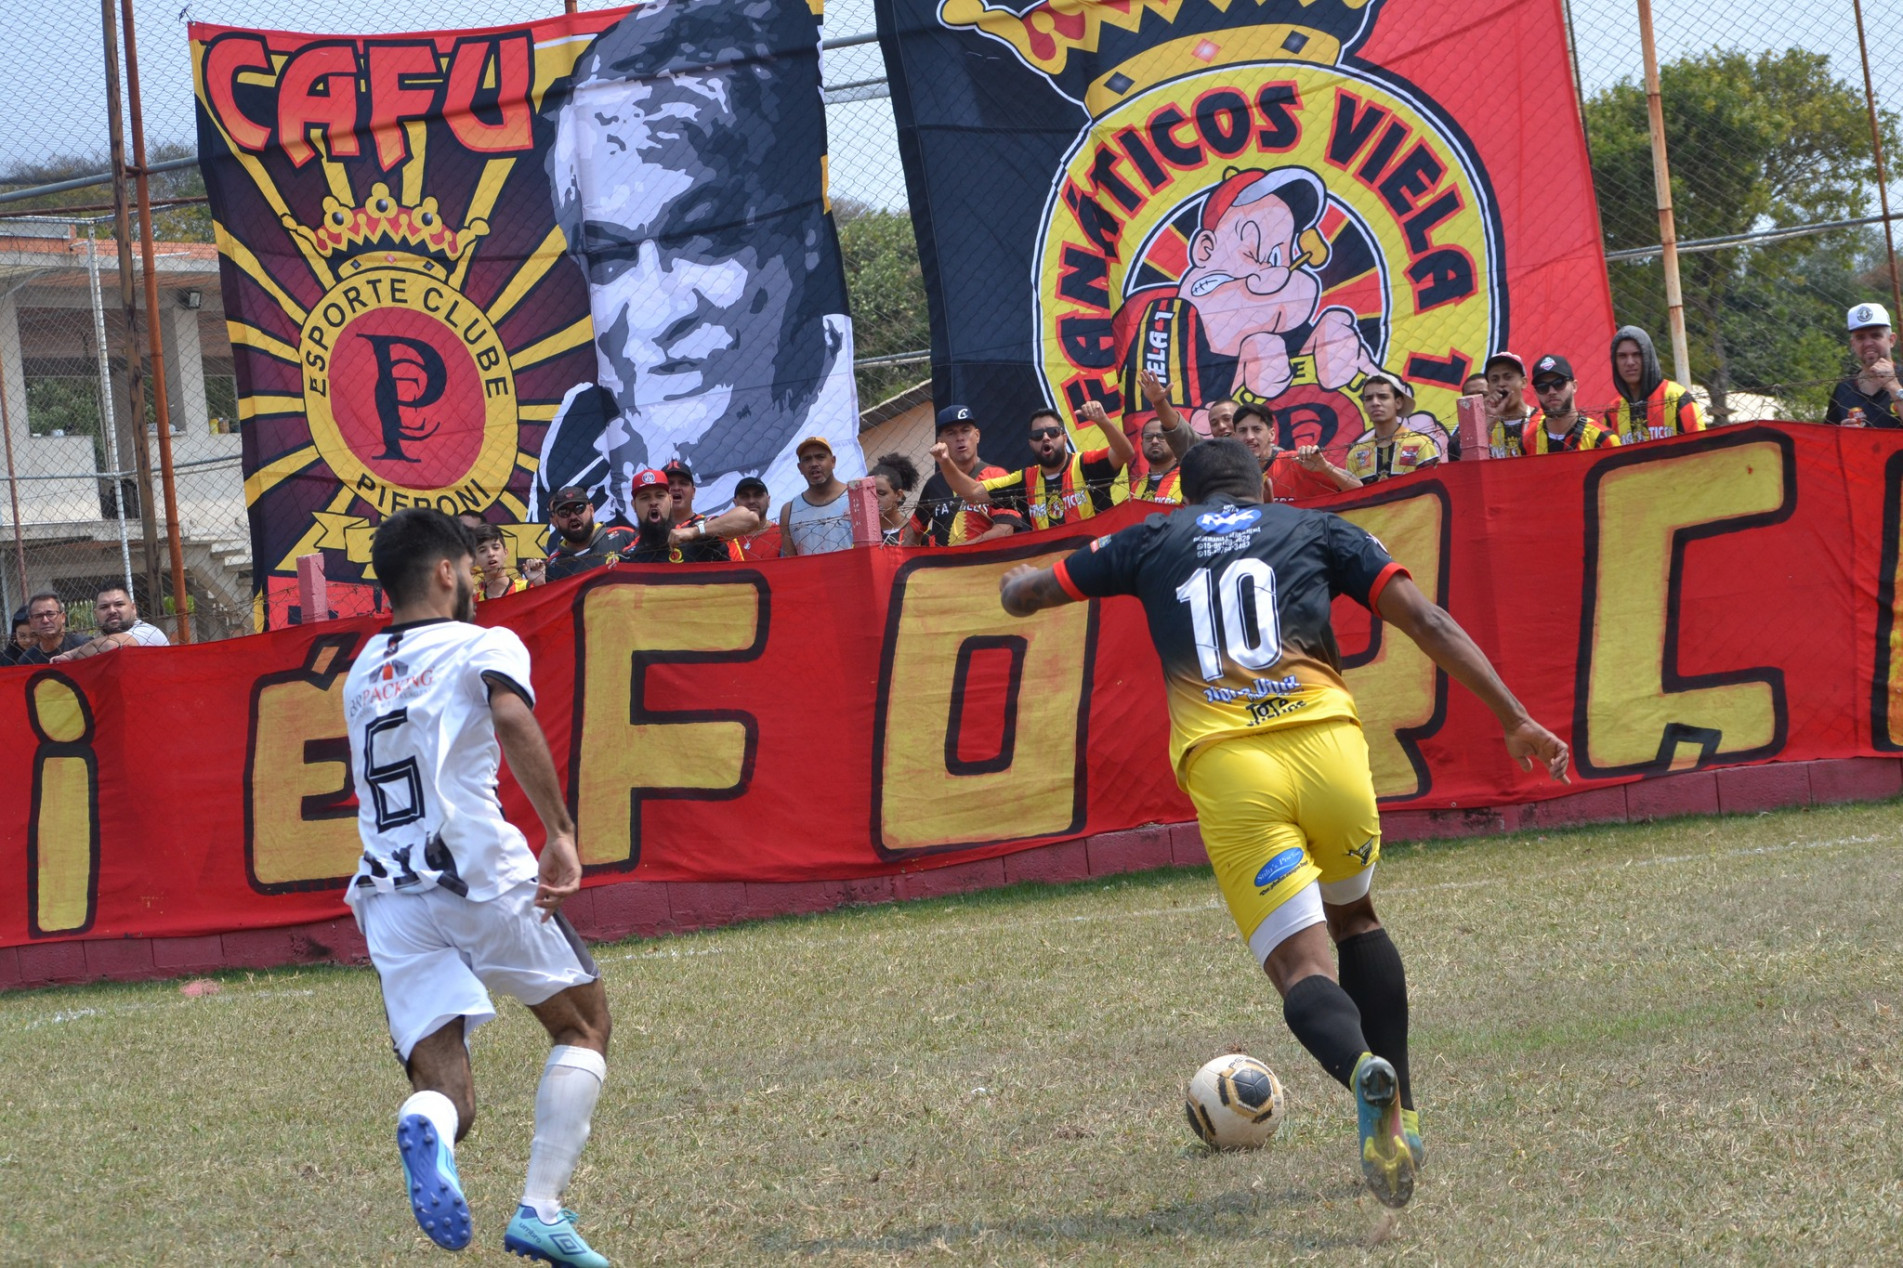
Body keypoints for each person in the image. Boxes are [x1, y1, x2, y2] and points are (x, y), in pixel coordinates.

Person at [996, 438, 1569, 1210]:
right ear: (1262, 483)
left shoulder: (1149, 538)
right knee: (1356, 919)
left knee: (1302, 970)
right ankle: (1403, 1117)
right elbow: (1426, 621)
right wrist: (1515, 718)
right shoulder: (1313, 526)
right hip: (1328, 748)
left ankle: (1363, 1072)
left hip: (1232, 766)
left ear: (1184, 492)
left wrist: (1014, 587)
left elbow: (1034, 593)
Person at [341, 509, 611, 1267]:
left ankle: (426, 1119)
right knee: (581, 1027)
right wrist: (558, 830)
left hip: (387, 892)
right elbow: (509, 713)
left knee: (445, 1090)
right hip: (475, 871)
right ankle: (541, 1210)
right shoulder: (483, 641)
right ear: (445, 572)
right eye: (467, 566)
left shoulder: (360, 669)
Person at [533, 0, 863, 523]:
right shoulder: (575, 446)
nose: (653, 308)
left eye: (702, 240)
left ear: (803, 234)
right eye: (611, 255)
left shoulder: (846, 466)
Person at [936, 400, 1136, 530]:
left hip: (1097, 559)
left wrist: (1103, 421)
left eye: (1053, 432)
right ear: (1031, 443)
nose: (1046, 438)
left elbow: (1125, 453)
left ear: (1065, 438)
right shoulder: (1024, 479)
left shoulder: (1085, 464)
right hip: (1052, 572)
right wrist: (945, 461)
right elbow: (973, 493)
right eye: (1038, 435)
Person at [903, 405, 1025, 546]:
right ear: (940, 442)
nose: (960, 438)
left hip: (985, 564)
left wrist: (958, 553)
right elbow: (914, 529)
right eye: (951, 433)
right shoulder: (934, 484)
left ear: (977, 435)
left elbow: (1004, 530)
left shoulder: (996, 475)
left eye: (965, 431)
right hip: (944, 567)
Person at [619, 468, 759, 564]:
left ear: (670, 500)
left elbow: (750, 518)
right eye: (645, 498)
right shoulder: (628, 555)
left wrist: (695, 532)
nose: (653, 502)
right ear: (633, 505)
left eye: (660, 496)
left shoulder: (696, 533)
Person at [1232, 403, 1361, 501]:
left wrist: (1325, 468)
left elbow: (1359, 491)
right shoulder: (1231, 475)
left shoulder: (1298, 462)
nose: (1249, 437)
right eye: (1243, 431)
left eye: (1256, 429)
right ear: (1235, 436)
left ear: (1271, 434)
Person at [1604, 326, 1705, 443]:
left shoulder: (1678, 398)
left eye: (1637, 354)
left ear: (1648, 356)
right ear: (1614, 361)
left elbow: (1701, 451)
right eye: (1622, 356)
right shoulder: (1612, 412)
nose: (1630, 362)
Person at [1344, 373, 1441, 482]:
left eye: (1383, 397)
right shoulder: (1356, 453)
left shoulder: (1421, 444)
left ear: (1398, 403)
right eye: (1369, 398)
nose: (1375, 403)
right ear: (1364, 406)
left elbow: (1434, 490)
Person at [1824, 303, 1903, 428]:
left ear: (1891, 340)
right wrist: (1842, 434)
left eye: (1876, 335)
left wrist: (1894, 387)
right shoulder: (1843, 389)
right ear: (1853, 344)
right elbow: (1827, 441)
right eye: (1860, 337)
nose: (1867, 343)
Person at [1526, 356, 1620, 453]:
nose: (1551, 391)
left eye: (1559, 383)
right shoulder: (1527, 442)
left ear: (1574, 386)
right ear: (1536, 393)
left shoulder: (1602, 440)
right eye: (1542, 387)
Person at [780, 437, 855, 556]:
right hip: (809, 575)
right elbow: (790, 563)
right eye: (807, 459)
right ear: (800, 468)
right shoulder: (789, 511)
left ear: (833, 461)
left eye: (820, 457)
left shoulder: (856, 499)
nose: (814, 464)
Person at [543, 486, 636, 583]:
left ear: (591, 510)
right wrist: (539, 583)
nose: (573, 516)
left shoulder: (623, 537)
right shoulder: (553, 566)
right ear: (554, 521)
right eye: (564, 512)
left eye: (579, 508)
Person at [52, 587, 169, 662]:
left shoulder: (147, 632)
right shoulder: (99, 643)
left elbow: (109, 645)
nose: (112, 611)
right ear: (96, 614)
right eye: (104, 607)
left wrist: (70, 655)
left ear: (133, 609)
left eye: (119, 604)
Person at [662, 459, 746, 562]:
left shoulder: (712, 525)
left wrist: (695, 532)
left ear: (693, 492)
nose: (676, 488)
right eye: (669, 484)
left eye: (683, 483)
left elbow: (748, 517)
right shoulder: (648, 533)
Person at [1482, 352, 1538, 457]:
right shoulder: (1484, 426)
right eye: (1495, 379)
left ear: (1524, 382)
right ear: (1489, 388)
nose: (1501, 384)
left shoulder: (1543, 420)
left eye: (1508, 377)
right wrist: (1489, 422)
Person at [12, 592, 88, 664]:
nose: (45, 620)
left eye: (50, 614)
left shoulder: (84, 646)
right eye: (38, 616)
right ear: (31, 622)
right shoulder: (27, 660)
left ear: (63, 617)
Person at [471, 524, 534, 603]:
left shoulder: (526, 588)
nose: (490, 554)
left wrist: (540, 583)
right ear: (475, 559)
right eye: (482, 550)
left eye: (496, 547)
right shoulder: (475, 602)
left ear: (505, 552)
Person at [869, 453, 920, 545]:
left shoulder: (917, 532)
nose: (874, 500)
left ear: (898, 495)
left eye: (881, 493)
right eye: (870, 494)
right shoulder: (865, 537)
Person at [731, 476, 782, 561]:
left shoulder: (783, 535)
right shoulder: (726, 539)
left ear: (768, 500)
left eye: (758, 495)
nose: (751, 501)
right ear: (735, 503)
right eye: (744, 496)